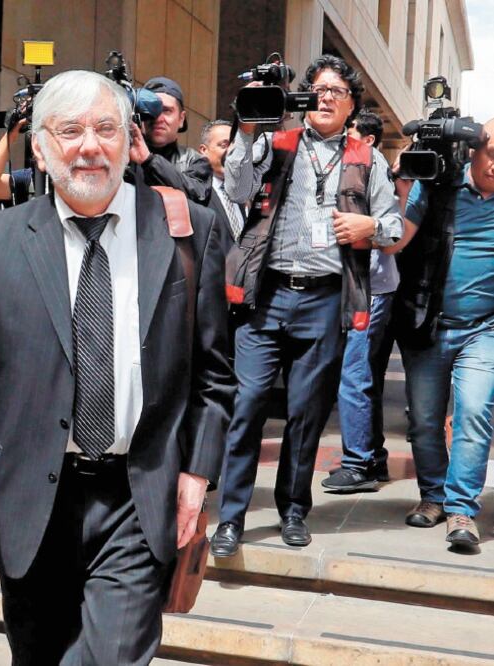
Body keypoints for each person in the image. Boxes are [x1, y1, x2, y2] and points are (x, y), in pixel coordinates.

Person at [0, 70, 233, 665]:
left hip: (137, 494)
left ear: (130, 142)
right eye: (69, 131)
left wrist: (198, 474)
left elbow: (215, 375)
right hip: (31, 502)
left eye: (106, 128)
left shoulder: (186, 232)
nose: (89, 146)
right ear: (40, 149)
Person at [211, 55, 402, 556]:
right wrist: (251, 123)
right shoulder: (277, 142)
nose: (324, 97)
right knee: (247, 404)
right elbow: (237, 188)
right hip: (267, 295)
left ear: (352, 104)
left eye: (336, 91)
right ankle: (230, 518)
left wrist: (370, 229)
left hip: (324, 301)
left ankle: (294, 509)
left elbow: (395, 227)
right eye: (317, 89)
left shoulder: (368, 157)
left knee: (305, 412)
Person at [391, 117, 494, 548]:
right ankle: (432, 497)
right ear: (474, 150)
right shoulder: (437, 186)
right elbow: (396, 238)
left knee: (473, 413)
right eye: (493, 153)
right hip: (428, 323)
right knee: (426, 421)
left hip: (485, 330)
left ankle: (461, 511)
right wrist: (402, 183)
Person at [322, 109, 399, 493]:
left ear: (366, 139)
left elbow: (391, 230)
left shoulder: (373, 164)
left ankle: (358, 464)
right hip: (362, 285)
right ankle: (374, 458)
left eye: (349, 131)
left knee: (355, 375)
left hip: (370, 288)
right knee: (364, 375)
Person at [128, 76, 212, 203]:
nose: (158, 118)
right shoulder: (125, 157)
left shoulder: (195, 161)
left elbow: (197, 196)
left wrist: (149, 161)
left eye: (166, 111)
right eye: (151, 110)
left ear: (181, 119)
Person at [199, 118, 246, 249]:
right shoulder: (195, 193)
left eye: (235, 146)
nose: (231, 152)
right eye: (224, 145)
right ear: (204, 150)